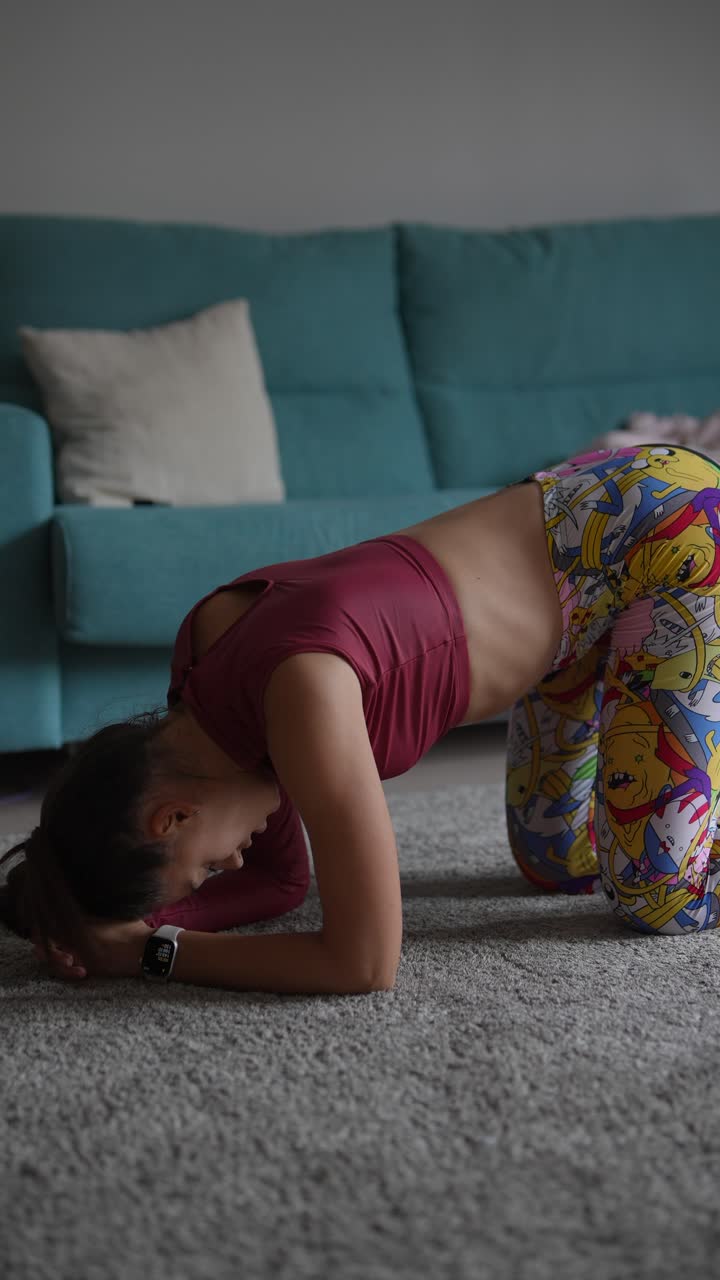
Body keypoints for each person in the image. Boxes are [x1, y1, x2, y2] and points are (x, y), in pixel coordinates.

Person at [3, 442, 720, 994]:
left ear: (172, 818)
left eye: (204, 870)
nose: (230, 867)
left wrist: (151, 954)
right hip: (574, 610)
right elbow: (282, 885)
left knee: (660, 901)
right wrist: (106, 925)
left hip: (666, 531)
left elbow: (364, 963)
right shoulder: (205, 691)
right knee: (555, 865)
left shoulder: (303, 693)